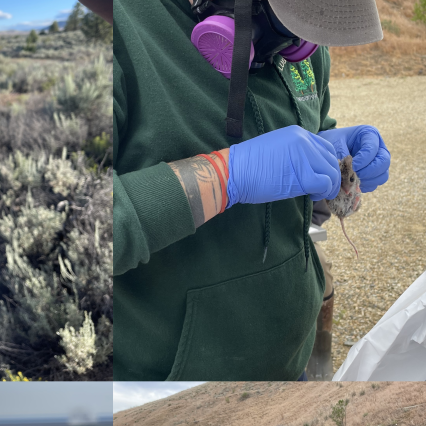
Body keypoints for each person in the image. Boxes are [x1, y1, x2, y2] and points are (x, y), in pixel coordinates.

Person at [114, 0, 393, 379]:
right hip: (174, 393)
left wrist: (332, 158)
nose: (301, 46)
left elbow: (303, 129)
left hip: (290, 361)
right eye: (291, 19)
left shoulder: (301, 43)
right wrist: (226, 174)